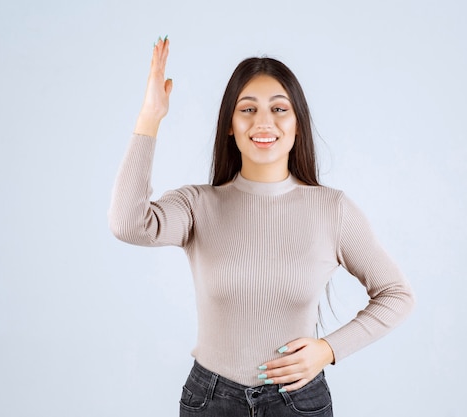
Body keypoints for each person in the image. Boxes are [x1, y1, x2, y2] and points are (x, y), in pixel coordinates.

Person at [109, 36, 415, 417]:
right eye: (248, 109)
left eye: (279, 109)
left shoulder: (332, 209)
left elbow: (396, 294)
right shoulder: (197, 205)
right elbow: (127, 224)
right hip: (210, 401)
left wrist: (329, 349)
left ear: (298, 124)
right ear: (229, 126)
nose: (264, 122)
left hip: (297, 401)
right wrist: (149, 118)